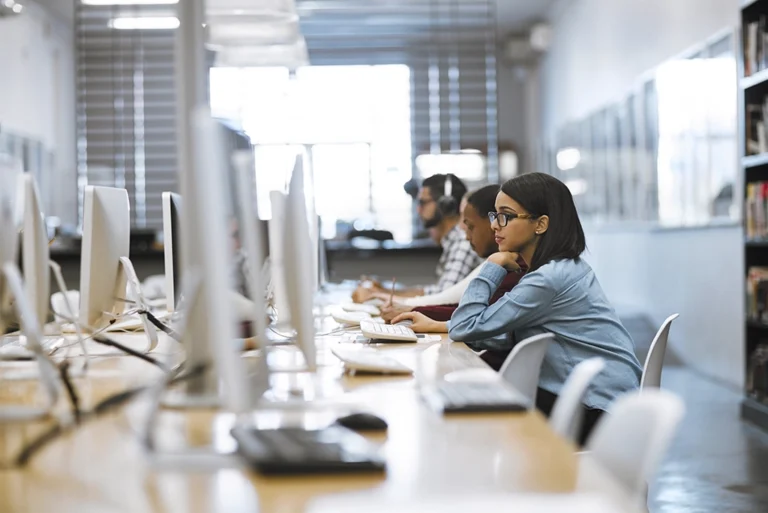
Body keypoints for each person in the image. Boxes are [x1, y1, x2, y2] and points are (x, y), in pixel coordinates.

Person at [402, 173, 643, 444]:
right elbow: (495, 331)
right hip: (607, 399)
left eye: (505, 216)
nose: (495, 226)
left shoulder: (547, 279)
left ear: (540, 224)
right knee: (468, 401)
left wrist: (492, 266)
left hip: (596, 408)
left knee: (467, 418)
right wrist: (443, 326)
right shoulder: (560, 269)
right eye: (495, 215)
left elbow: (465, 327)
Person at [382, 184, 526, 333]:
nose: (494, 225)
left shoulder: (520, 269)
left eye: (504, 217)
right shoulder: (508, 261)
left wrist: (412, 310)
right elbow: (467, 310)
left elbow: (473, 317)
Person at [352, 173, 482, 302]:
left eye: (423, 203)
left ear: (445, 205)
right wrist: (384, 291)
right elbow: (436, 291)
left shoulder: (462, 242)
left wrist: (379, 295)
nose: (418, 210)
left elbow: (442, 299)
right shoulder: (453, 241)